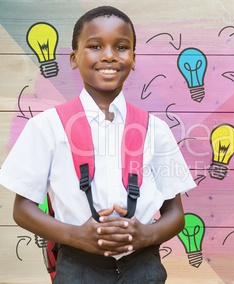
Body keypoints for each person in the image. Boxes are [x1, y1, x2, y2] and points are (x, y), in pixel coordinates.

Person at [0, 6, 196, 283]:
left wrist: (146, 235)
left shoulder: (156, 129)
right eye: (94, 46)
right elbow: (22, 210)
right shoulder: (45, 127)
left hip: (144, 268)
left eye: (121, 47)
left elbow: (175, 213)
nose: (108, 55)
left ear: (133, 58)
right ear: (73, 57)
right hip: (77, 267)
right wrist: (75, 236)